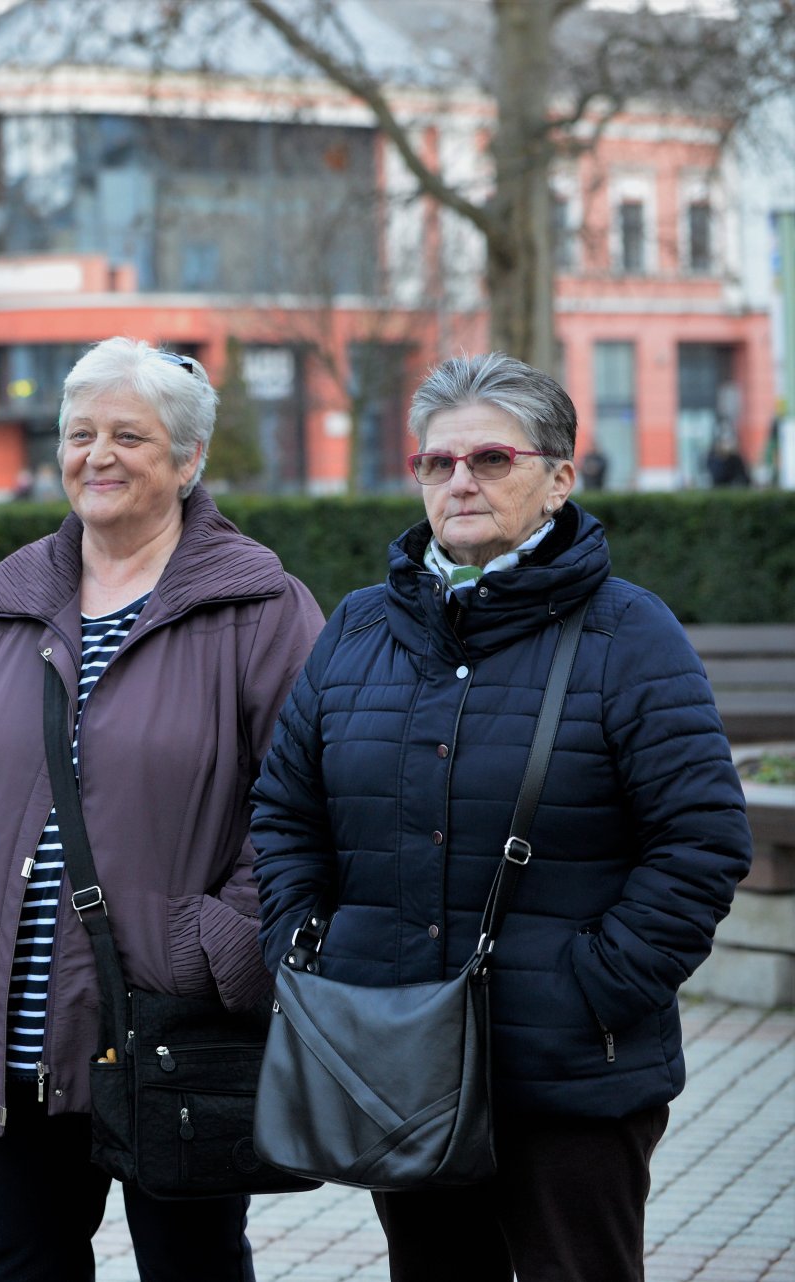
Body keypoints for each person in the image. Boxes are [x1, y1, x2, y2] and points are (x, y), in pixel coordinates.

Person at [250, 353, 752, 1282]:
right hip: (395, 1057)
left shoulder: (629, 634)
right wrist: (307, 944)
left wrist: (589, 988)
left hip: (568, 1078)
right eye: (437, 464)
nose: (460, 481)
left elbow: (702, 841)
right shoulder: (358, 632)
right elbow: (285, 812)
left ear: (559, 477)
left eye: (491, 458)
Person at [0, 337, 324, 1281]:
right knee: (26, 1259)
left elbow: (308, 791)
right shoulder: (1, 600)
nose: (100, 455)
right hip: (13, 1028)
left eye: (131, 435)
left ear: (189, 460)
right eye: (81, 434)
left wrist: (225, 937)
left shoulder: (258, 607)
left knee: (192, 1266)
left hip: (172, 1024)